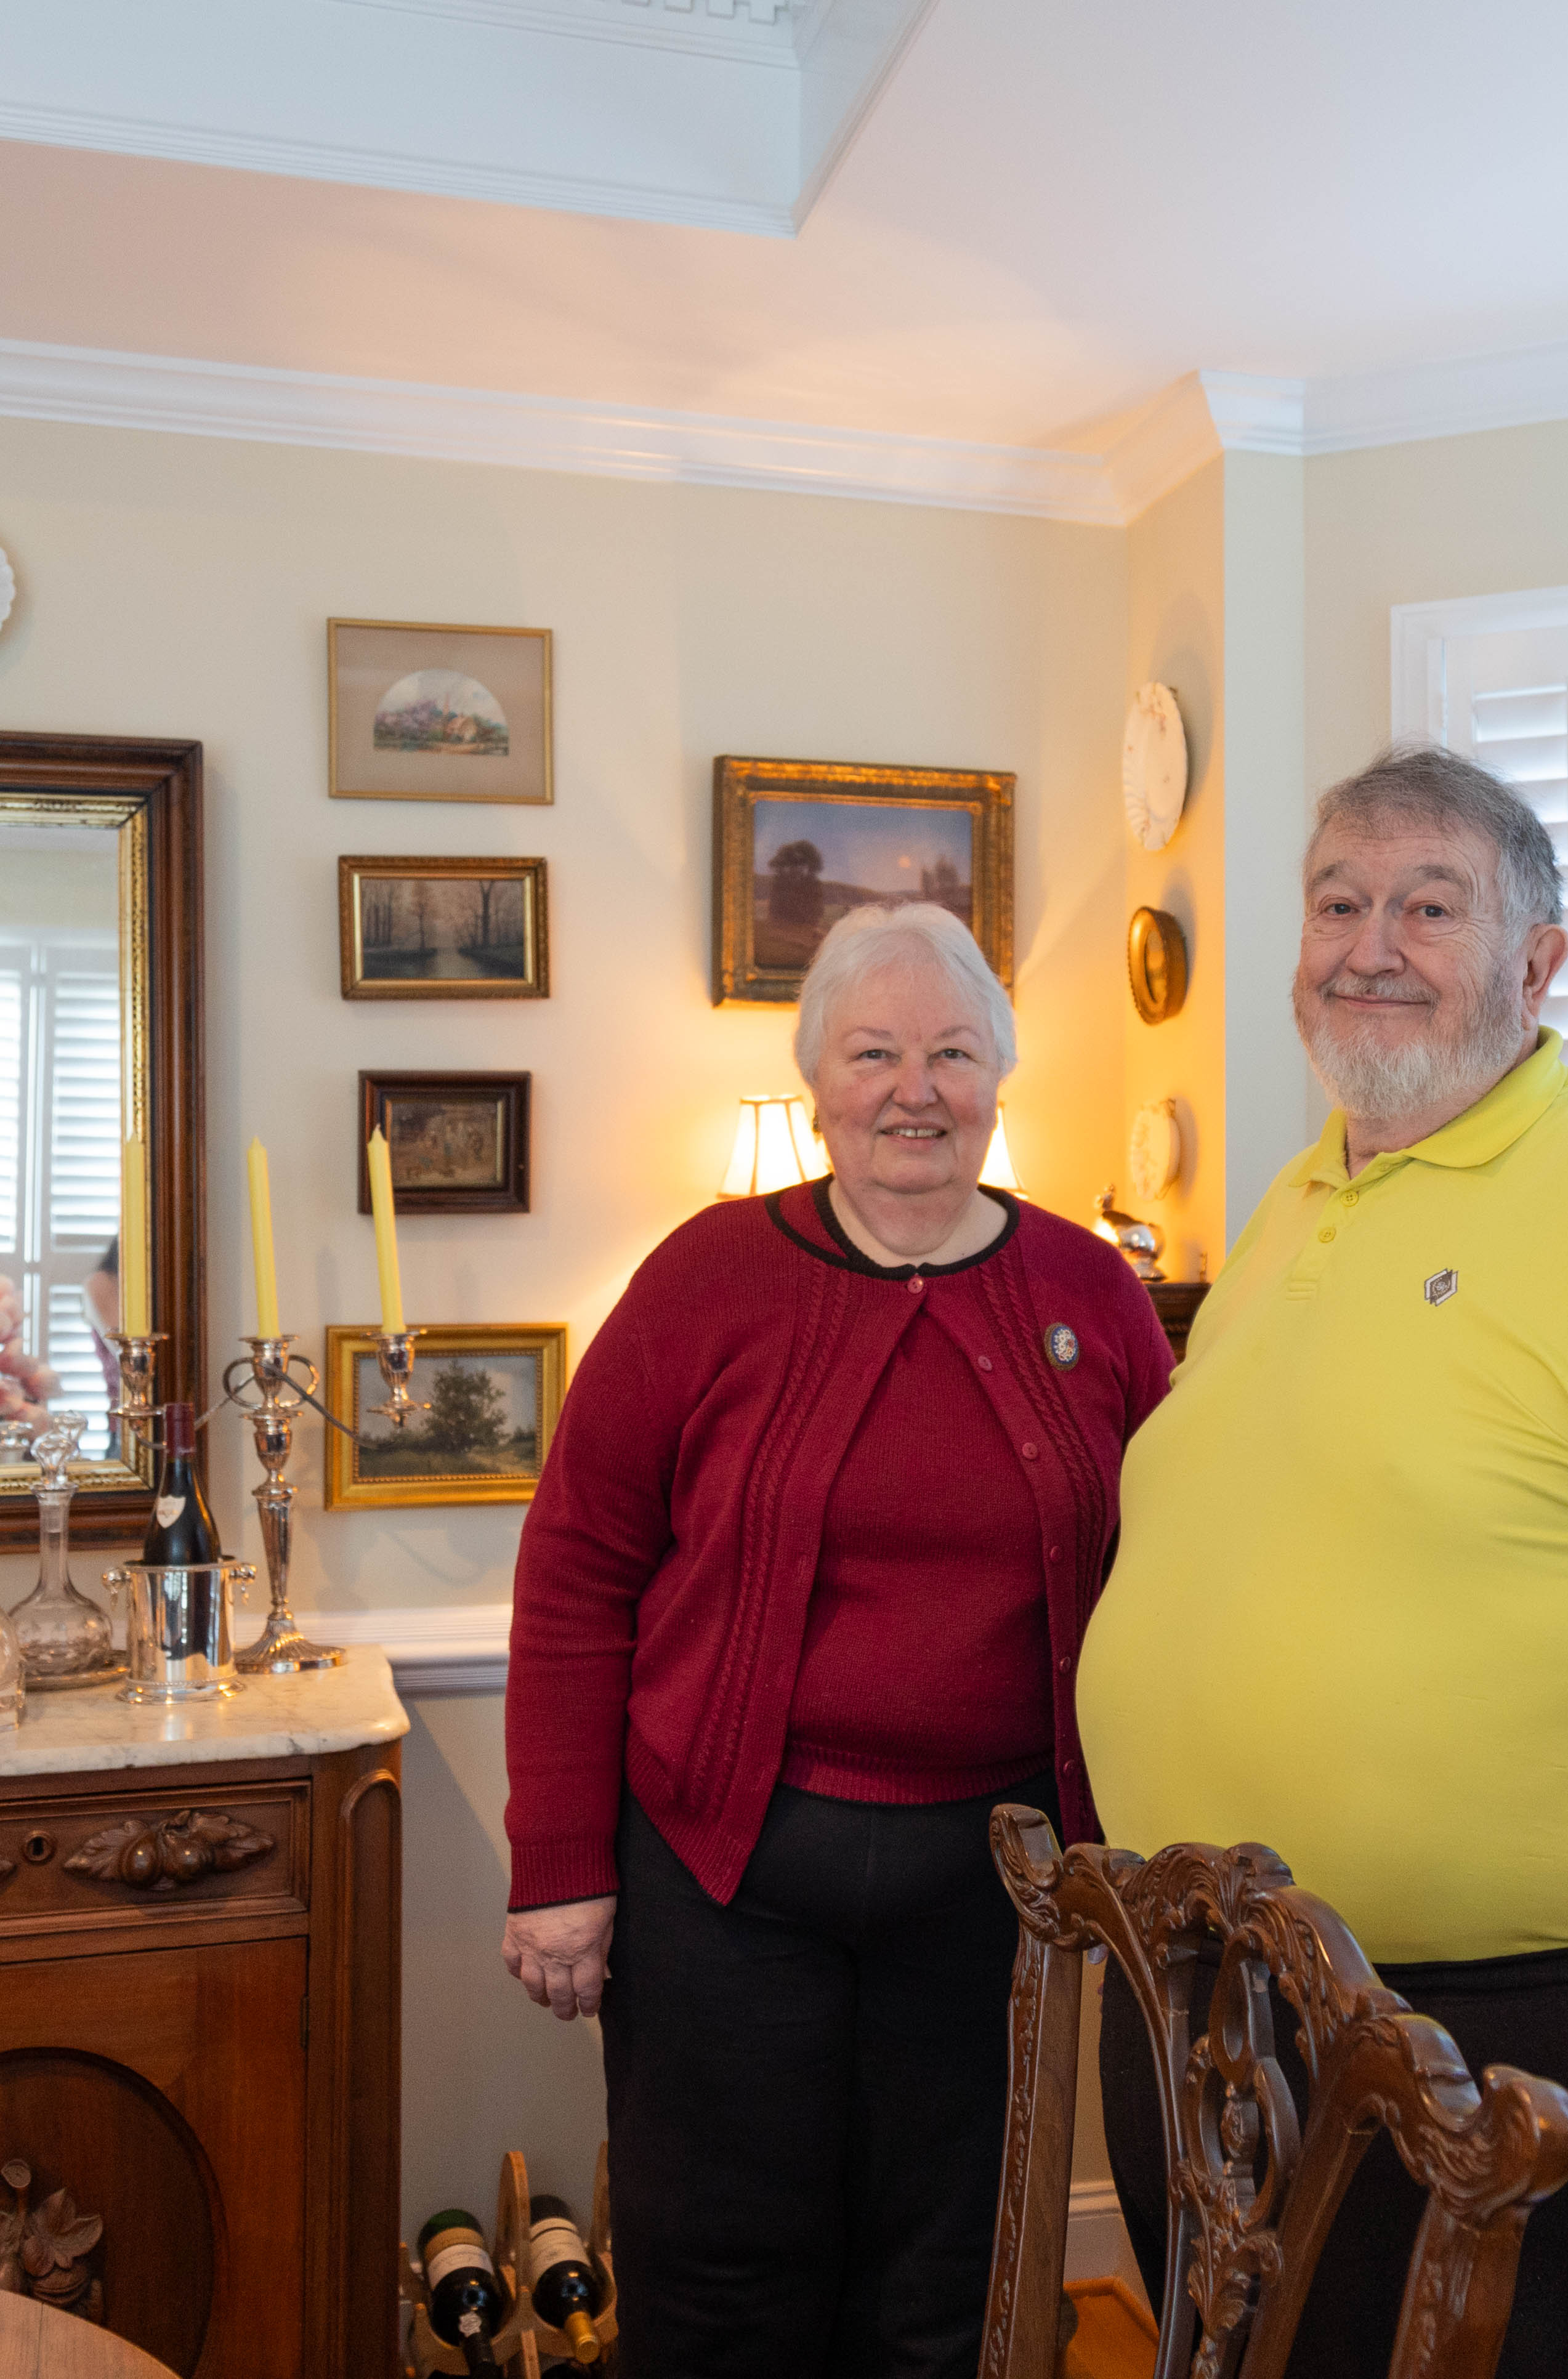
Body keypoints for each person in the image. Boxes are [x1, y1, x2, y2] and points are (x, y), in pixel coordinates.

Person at [1076, 746, 1568, 2379]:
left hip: (1530, 2041)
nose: (1368, 944)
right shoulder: (1292, 1209)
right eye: (1337, 903)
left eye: (1426, 907)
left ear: (1535, 963)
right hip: (1225, 2021)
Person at [503, 901, 1173, 2378]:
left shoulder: (1092, 1298)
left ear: (997, 1077)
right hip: (722, 1881)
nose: (912, 1089)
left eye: (948, 1051)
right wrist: (559, 1867)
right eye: (873, 1052)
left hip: (992, 1885)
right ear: (818, 1083)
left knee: (948, 2290)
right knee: (721, 2284)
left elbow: (1170, 1579)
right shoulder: (702, 1283)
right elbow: (575, 1573)